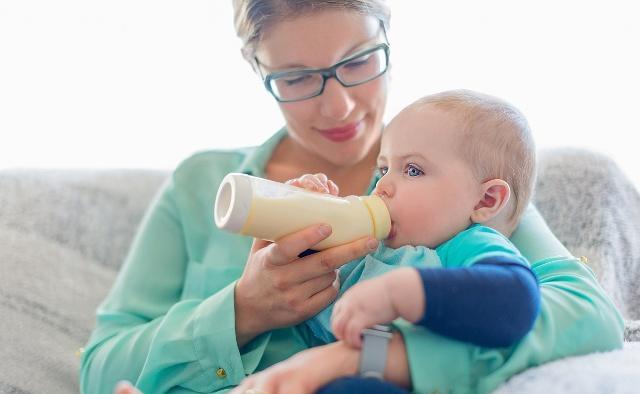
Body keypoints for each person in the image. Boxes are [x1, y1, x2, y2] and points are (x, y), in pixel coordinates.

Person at [79, 1, 623, 394]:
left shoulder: (454, 177)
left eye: (359, 61)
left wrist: (387, 358)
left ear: (388, 40)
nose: (337, 107)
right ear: (258, 71)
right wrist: (243, 311)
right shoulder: (201, 183)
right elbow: (102, 367)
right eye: (296, 78)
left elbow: (588, 314)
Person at [297, 90, 540, 347]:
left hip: (377, 365)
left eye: (413, 170)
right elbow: (313, 276)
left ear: (485, 200)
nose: (381, 186)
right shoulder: (372, 241)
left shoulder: (466, 244)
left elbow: (517, 297)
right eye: (383, 169)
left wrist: (400, 294)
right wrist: (307, 212)